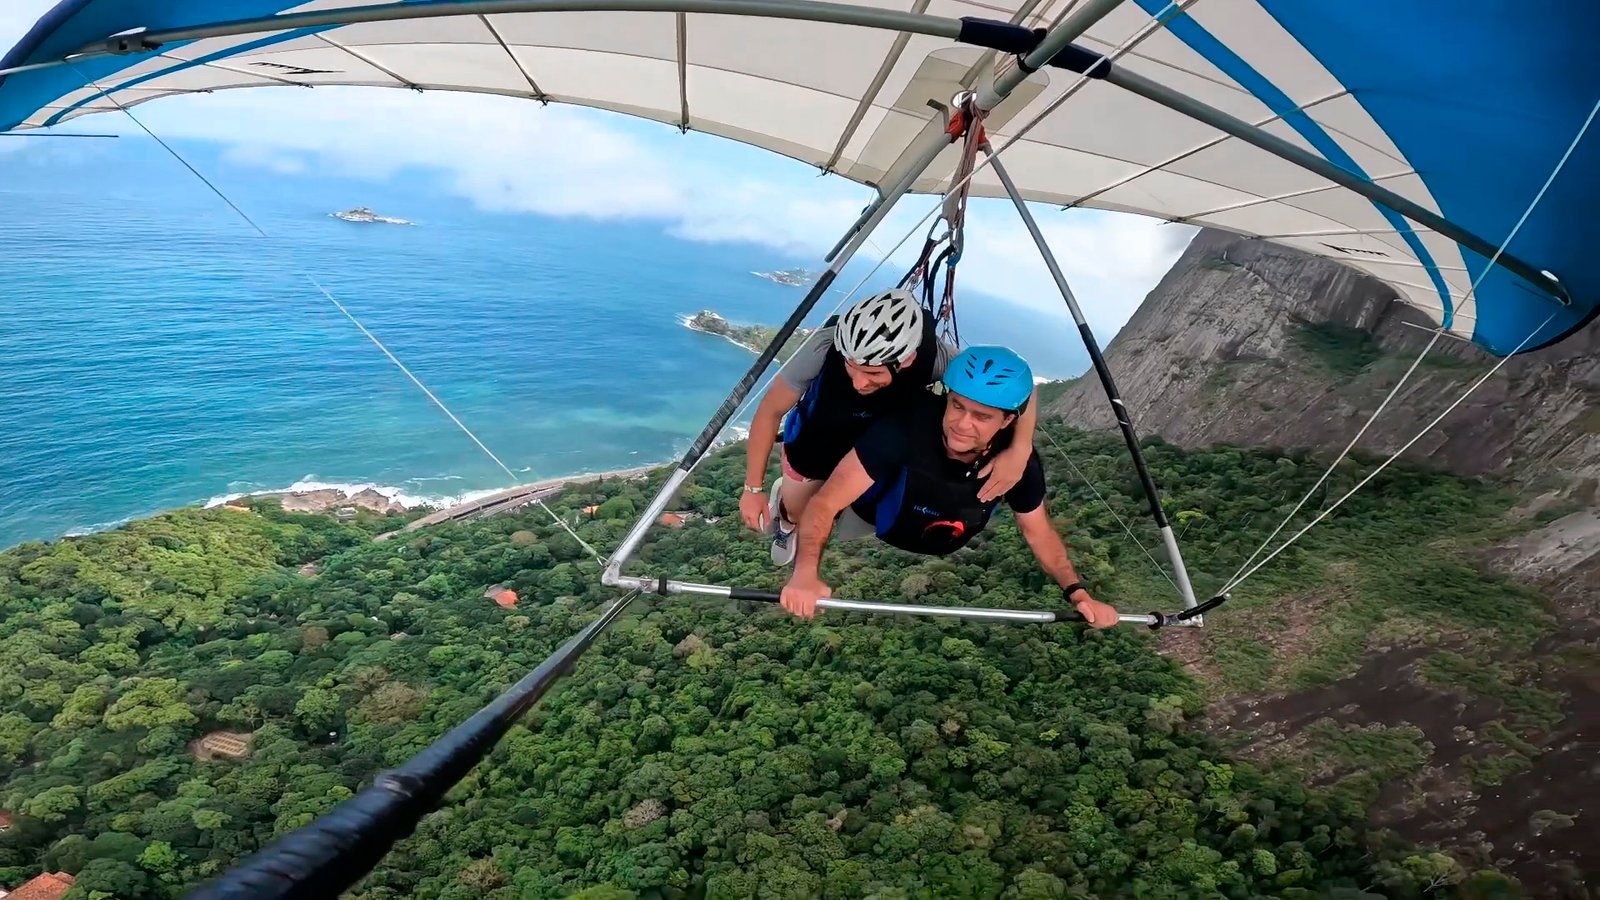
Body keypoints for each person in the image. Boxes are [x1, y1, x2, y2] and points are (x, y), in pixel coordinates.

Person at [776, 345, 1120, 628]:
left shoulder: (1016, 466)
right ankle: (786, 515)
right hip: (868, 513)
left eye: (982, 416)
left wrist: (1078, 593)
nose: (962, 424)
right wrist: (806, 573)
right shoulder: (904, 429)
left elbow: (1038, 532)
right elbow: (826, 504)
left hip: (936, 524)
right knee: (808, 506)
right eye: (957, 406)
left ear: (1008, 421)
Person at [740, 288, 1039, 564]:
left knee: (832, 510)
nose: (858, 382)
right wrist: (753, 488)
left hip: (875, 445)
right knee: (799, 512)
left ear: (906, 360)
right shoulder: (823, 348)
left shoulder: (936, 360)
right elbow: (770, 411)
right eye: (851, 367)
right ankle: (787, 520)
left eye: (872, 372)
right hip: (816, 444)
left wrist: (1020, 448)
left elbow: (1016, 386)